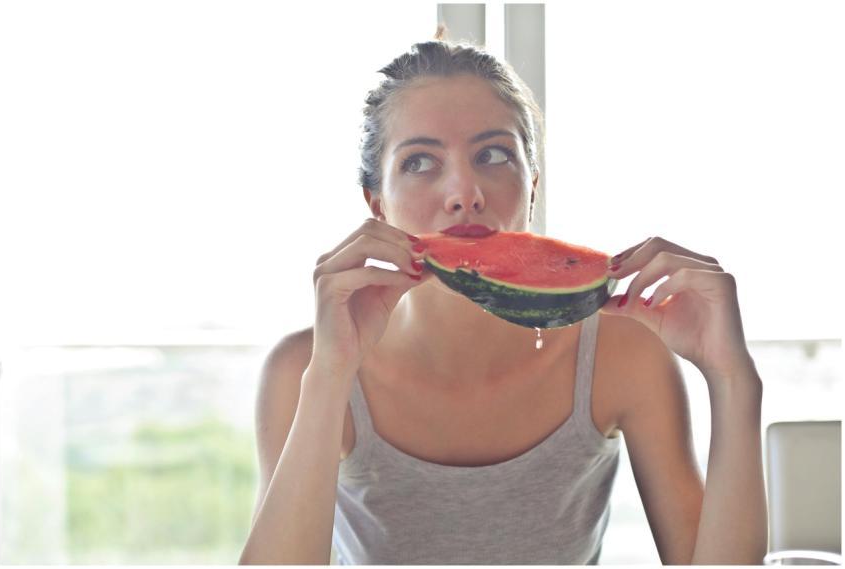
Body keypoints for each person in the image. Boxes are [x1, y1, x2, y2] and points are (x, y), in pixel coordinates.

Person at [239, 36, 767, 565]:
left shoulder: (621, 355)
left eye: (492, 155)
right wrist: (331, 373)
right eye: (420, 162)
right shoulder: (302, 370)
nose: (464, 192)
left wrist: (733, 379)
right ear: (377, 205)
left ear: (532, 187)